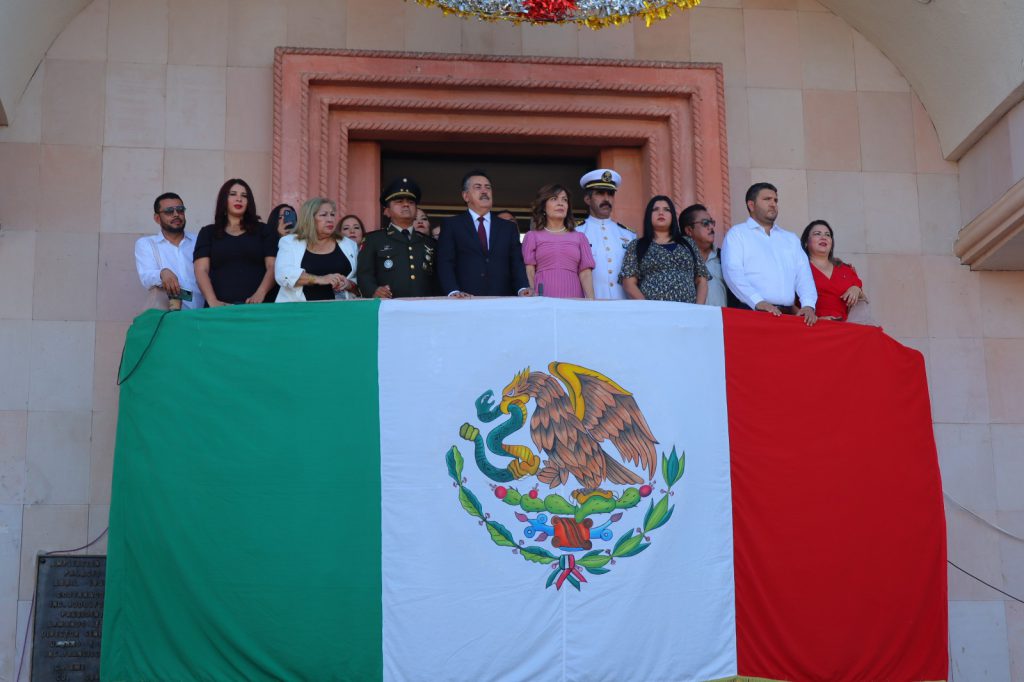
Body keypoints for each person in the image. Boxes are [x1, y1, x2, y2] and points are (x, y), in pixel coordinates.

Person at [721, 182, 817, 326]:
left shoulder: (790, 238)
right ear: (751, 205)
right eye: (767, 199)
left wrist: (808, 305)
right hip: (752, 313)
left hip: (788, 316)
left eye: (775, 200)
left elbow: (803, 275)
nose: (773, 204)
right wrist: (758, 302)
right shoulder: (737, 234)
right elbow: (733, 273)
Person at [437, 170, 531, 297]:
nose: (484, 191)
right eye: (478, 187)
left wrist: (522, 288)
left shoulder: (508, 228)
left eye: (488, 187)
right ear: (466, 196)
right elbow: (445, 263)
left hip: (502, 299)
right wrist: (453, 291)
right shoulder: (452, 225)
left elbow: (516, 263)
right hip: (464, 300)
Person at [193, 178, 277, 306]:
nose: (239, 199)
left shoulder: (264, 230)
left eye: (244, 196)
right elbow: (201, 270)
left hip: (259, 307)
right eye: (233, 194)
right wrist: (212, 301)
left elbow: (273, 267)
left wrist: (260, 293)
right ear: (223, 199)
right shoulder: (208, 232)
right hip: (219, 309)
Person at [357, 177, 437, 298]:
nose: (406, 205)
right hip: (388, 308)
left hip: (425, 308)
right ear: (387, 211)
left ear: (416, 210)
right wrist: (373, 290)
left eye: (411, 202)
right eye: (399, 201)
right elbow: (364, 275)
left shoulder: (429, 242)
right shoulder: (373, 240)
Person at [620, 196, 708, 303]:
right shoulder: (637, 245)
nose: (661, 213)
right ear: (648, 215)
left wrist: (698, 309)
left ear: (672, 216)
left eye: (666, 210)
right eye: (655, 209)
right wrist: (647, 307)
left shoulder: (688, 243)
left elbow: (701, 279)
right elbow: (628, 282)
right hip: (654, 314)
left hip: (688, 312)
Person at [275, 197, 358, 303]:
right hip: (300, 312)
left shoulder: (349, 244)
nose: (330, 219)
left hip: (340, 311)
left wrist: (348, 284)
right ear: (309, 218)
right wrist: (320, 279)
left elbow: (360, 281)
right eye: (324, 215)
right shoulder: (290, 242)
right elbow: (283, 274)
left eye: (332, 214)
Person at [522, 184, 595, 299]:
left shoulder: (580, 237)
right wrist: (532, 298)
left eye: (564, 200)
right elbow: (529, 270)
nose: (560, 203)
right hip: (542, 299)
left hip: (574, 299)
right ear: (544, 206)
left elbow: (585, 273)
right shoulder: (532, 236)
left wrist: (592, 302)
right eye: (554, 199)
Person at [135, 192, 204, 310]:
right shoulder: (147, 244)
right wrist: (162, 273)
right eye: (169, 211)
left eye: (180, 210)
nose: (176, 214)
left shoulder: (199, 241)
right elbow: (146, 277)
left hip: (202, 315)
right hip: (169, 317)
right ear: (157, 218)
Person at [576, 169, 635, 299]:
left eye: (610, 194)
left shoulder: (629, 235)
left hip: (623, 306)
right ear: (587, 199)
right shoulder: (576, 232)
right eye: (600, 193)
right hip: (589, 306)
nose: (606, 199)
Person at [800, 220, 866, 322]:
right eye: (817, 234)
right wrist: (816, 318)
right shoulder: (799, 268)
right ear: (806, 242)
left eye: (828, 235)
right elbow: (789, 304)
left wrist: (856, 289)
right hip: (812, 327)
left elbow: (863, 301)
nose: (823, 237)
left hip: (845, 329)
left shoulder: (846, 269)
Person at [680, 203, 727, 307]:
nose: (711, 227)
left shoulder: (724, 257)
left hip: (721, 320)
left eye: (711, 222)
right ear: (689, 230)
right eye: (705, 223)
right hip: (689, 320)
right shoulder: (678, 259)